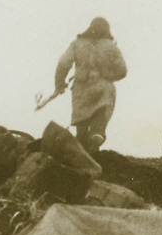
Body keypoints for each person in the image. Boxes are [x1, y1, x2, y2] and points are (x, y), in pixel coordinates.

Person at [53, 17, 127, 151]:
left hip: (81, 87)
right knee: (100, 114)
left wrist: (59, 83)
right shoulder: (111, 46)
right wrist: (108, 76)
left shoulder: (77, 44)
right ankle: (97, 135)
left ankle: (81, 147)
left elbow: (63, 64)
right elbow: (122, 71)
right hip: (103, 87)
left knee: (82, 121)